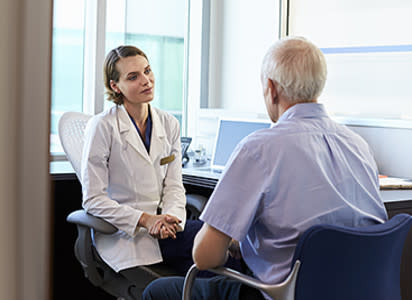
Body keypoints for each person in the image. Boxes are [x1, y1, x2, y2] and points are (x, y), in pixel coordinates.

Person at [142, 36, 388, 300]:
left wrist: (232, 245)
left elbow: (205, 257)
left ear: (271, 88)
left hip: (284, 294)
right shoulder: (358, 145)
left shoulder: (259, 149)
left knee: (159, 291)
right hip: (356, 291)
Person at [81, 45, 205, 277]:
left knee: (219, 259)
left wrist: (172, 220)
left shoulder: (169, 124)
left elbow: (174, 186)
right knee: (212, 255)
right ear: (115, 86)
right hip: (126, 236)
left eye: (147, 71)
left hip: (168, 231)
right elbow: (93, 200)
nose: (146, 80)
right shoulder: (102, 127)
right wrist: (145, 220)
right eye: (133, 77)